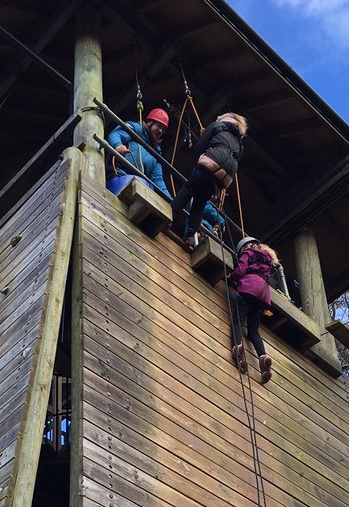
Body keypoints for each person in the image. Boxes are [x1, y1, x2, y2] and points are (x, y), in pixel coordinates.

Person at [171, 113, 246, 246]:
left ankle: (170, 213)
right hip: (227, 175)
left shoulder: (217, 125)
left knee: (190, 188)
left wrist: (206, 150)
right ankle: (190, 236)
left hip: (213, 160)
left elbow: (199, 147)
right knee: (200, 200)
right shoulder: (239, 142)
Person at [228, 236, 277, 384]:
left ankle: (238, 348)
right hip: (263, 294)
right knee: (253, 331)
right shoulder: (266, 259)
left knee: (237, 321)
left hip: (250, 287)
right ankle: (263, 359)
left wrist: (232, 277)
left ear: (245, 247)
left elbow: (241, 269)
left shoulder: (248, 253)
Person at [106, 108, 170, 197]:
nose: (160, 131)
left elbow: (158, 180)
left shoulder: (156, 155)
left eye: (163, 129)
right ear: (149, 123)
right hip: (119, 176)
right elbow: (116, 134)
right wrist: (118, 145)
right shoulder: (136, 129)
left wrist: (170, 200)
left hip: (139, 185)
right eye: (159, 126)